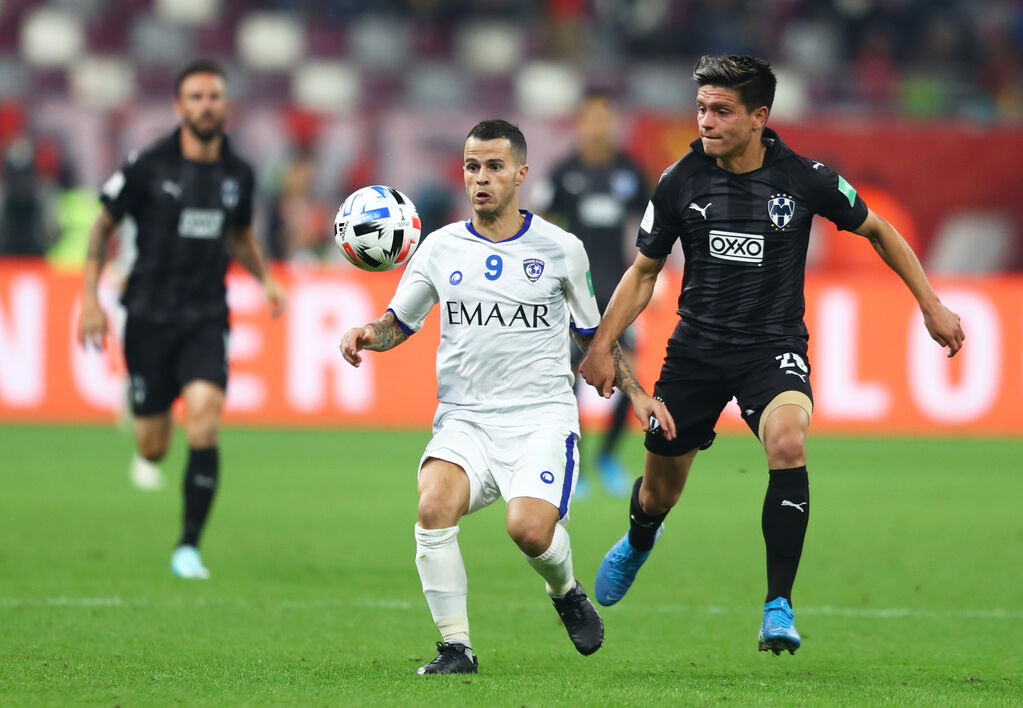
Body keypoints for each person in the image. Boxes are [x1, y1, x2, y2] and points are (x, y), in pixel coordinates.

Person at [579, 55, 964, 655]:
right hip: (696, 352)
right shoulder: (681, 179)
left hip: (772, 348)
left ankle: (777, 606)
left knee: (788, 442)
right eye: (702, 108)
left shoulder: (805, 178)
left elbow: (880, 231)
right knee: (660, 492)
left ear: (760, 117)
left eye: (721, 111)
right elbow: (644, 272)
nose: (705, 121)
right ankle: (640, 536)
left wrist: (931, 305)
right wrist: (602, 343)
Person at [340, 119, 674, 674]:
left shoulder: (561, 249)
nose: (481, 178)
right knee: (432, 507)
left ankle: (565, 591)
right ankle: (456, 648)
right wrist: (368, 335)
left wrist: (637, 393)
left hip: (540, 419)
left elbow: (594, 337)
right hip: (465, 420)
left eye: (494, 167)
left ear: (520, 174)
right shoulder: (440, 248)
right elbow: (401, 321)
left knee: (529, 530)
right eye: (472, 166)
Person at [78, 59, 285, 579]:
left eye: (213, 96)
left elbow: (239, 236)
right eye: (195, 97)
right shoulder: (147, 165)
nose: (205, 105)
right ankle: (147, 420)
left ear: (225, 106)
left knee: (204, 417)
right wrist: (90, 300)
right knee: (152, 446)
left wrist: (265, 279)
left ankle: (187, 547)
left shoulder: (238, 174)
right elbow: (101, 228)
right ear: (179, 107)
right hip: (147, 318)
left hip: (205, 317)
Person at [535, 90, 650, 499]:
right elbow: (539, 226)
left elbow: (654, 224)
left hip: (618, 290)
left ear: (613, 123)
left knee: (629, 371)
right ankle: (576, 459)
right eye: (592, 118)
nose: (599, 126)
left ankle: (607, 456)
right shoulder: (564, 172)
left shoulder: (630, 172)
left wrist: (652, 269)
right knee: (569, 376)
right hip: (572, 292)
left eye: (606, 118)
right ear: (580, 123)